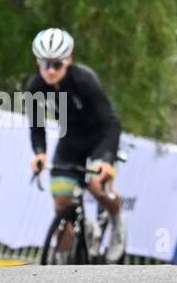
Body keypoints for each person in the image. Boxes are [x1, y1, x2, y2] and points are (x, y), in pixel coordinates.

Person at [25, 28, 126, 262]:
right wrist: (40, 154)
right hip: (71, 141)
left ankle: (116, 219)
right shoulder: (35, 87)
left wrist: (108, 160)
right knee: (61, 201)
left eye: (56, 65)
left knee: (96, 186)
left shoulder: (84, 79)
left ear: (68, 60)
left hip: (99, 138)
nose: (50, 70)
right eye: (44, 64)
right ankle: (65, 262)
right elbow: (36, 128)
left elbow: (112, 123)